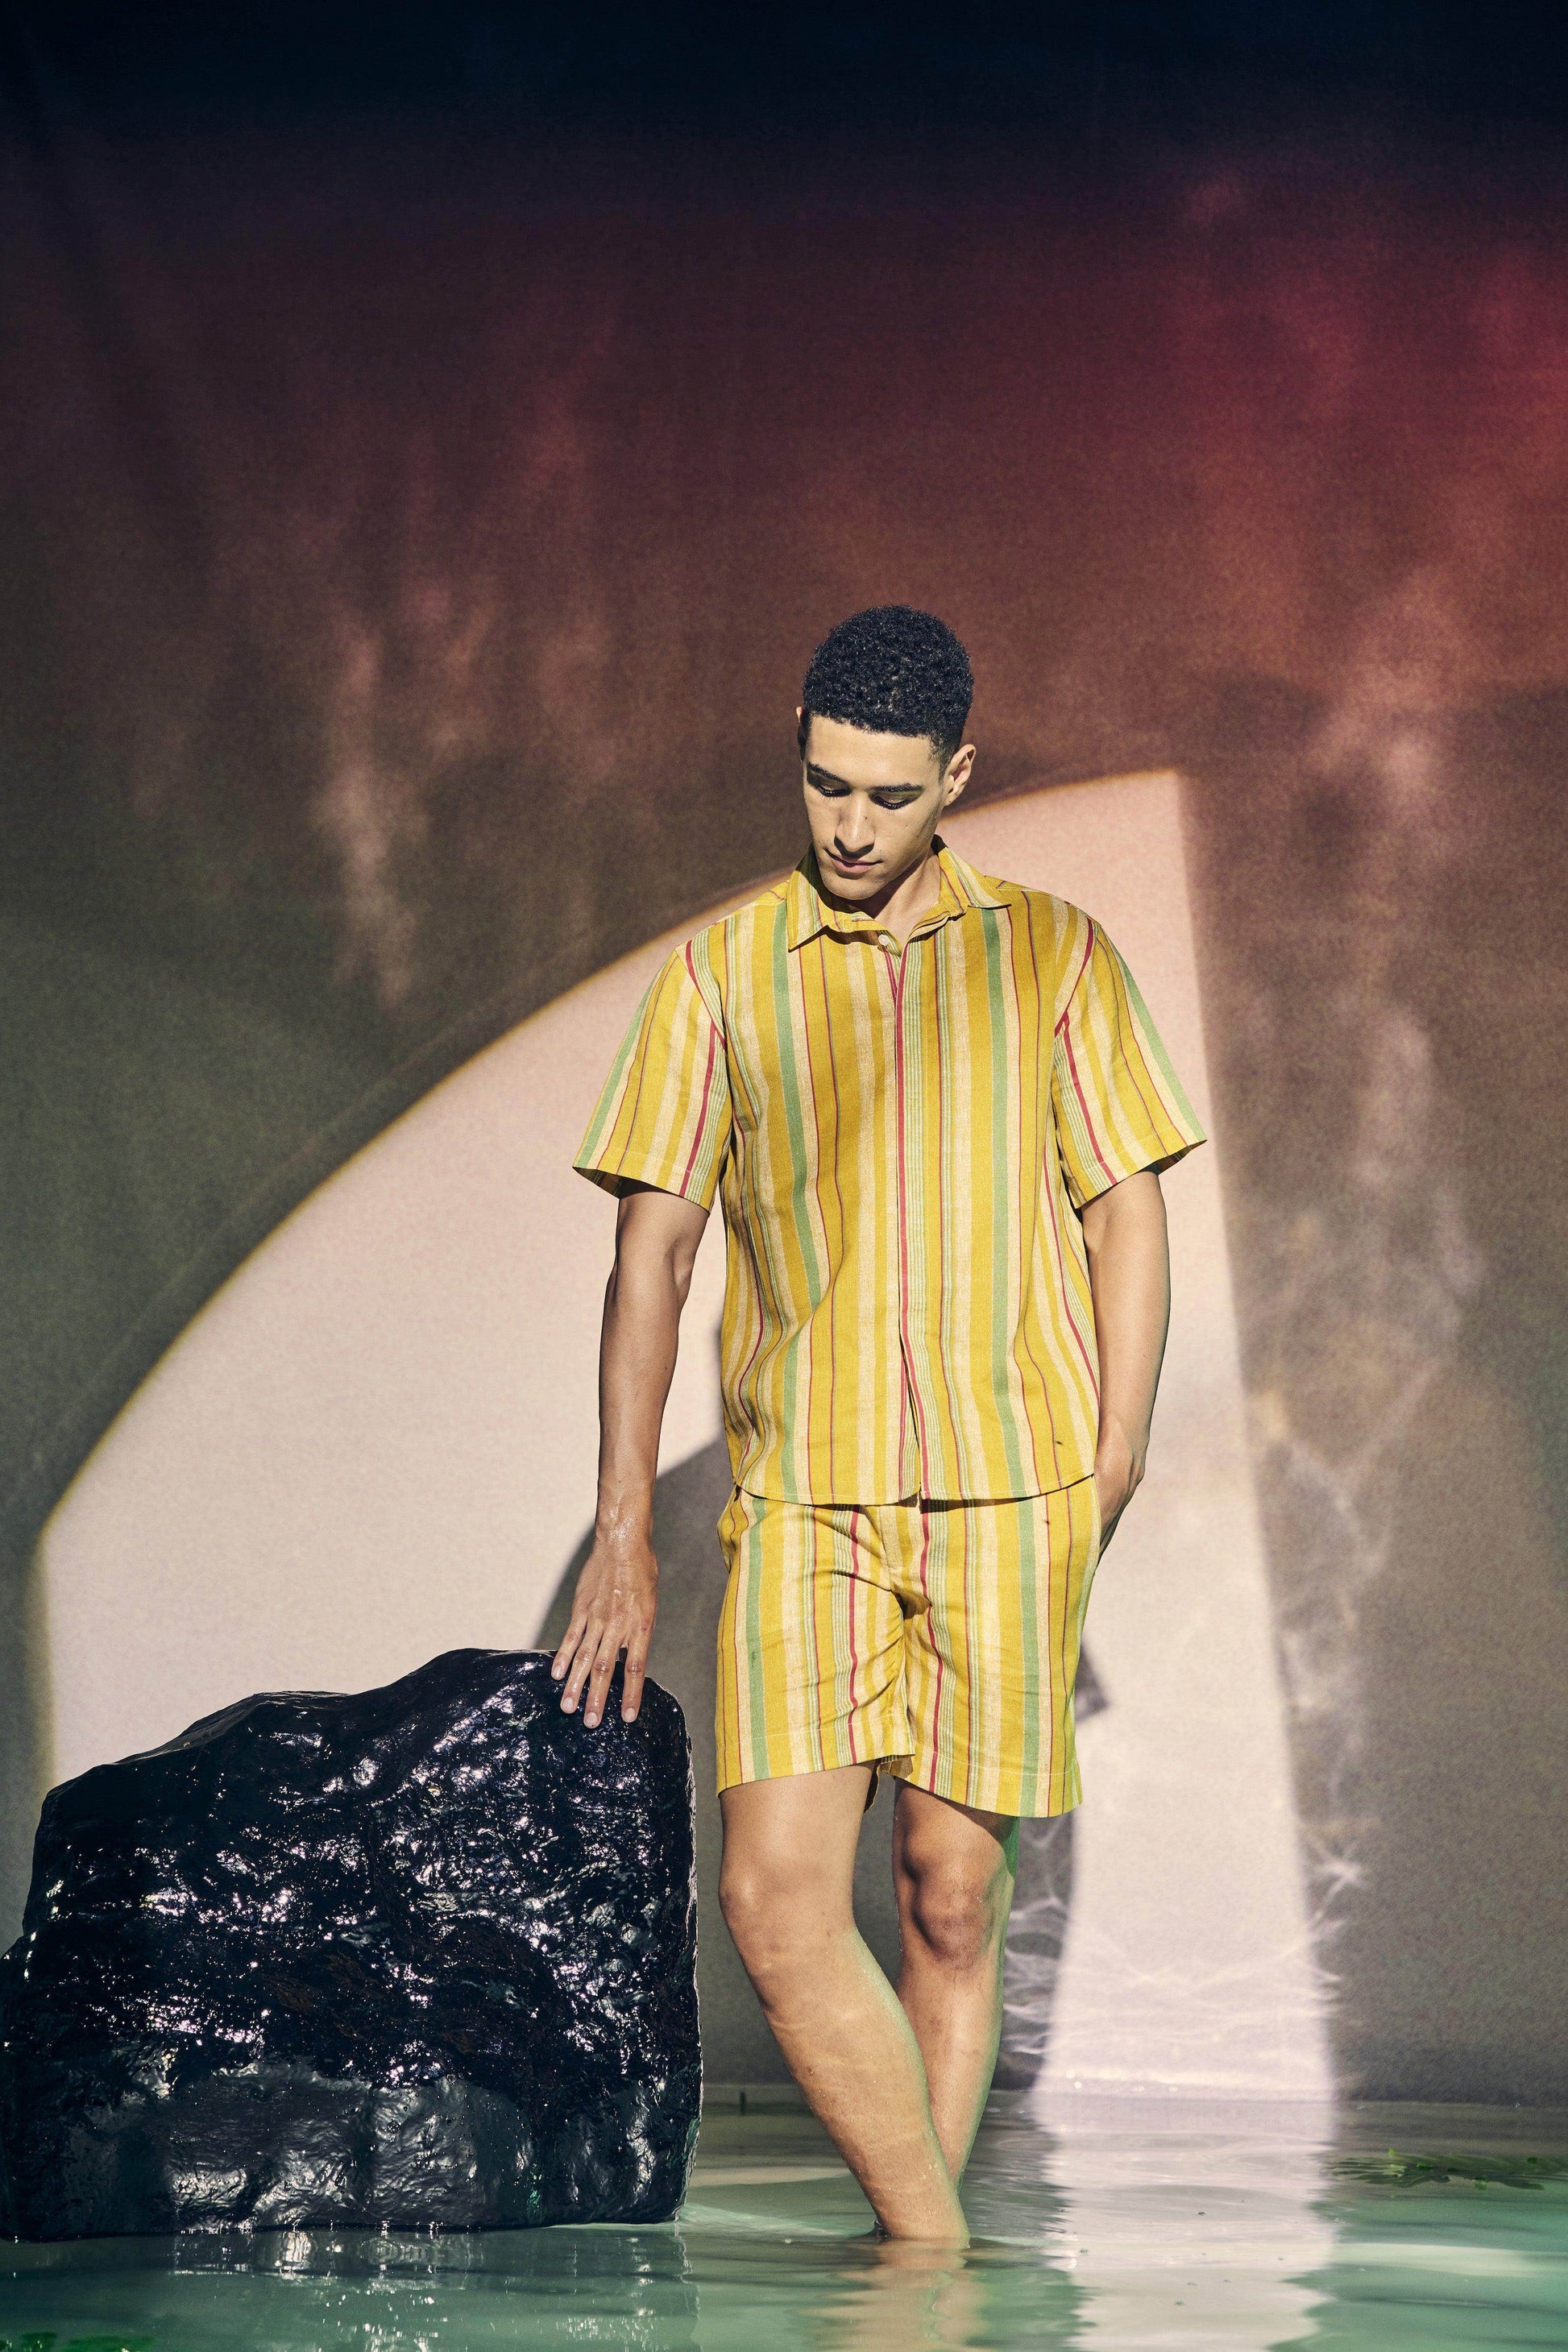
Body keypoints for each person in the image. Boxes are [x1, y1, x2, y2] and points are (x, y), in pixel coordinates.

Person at [554, 605, 1205, 2243]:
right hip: (805, 1493)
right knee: (774, 1899)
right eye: (826, 783)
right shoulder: (717, 976)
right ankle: (933, 2254)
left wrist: (1117, 1448)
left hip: (1011, 1488)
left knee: (950, 1894)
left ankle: (911, 2271)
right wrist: (623, 1526)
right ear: (800, 749)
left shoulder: (1053, 955)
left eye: (889, 795)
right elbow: (650, 1258)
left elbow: (1126, 1207)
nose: (850, 826)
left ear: (955, 778)